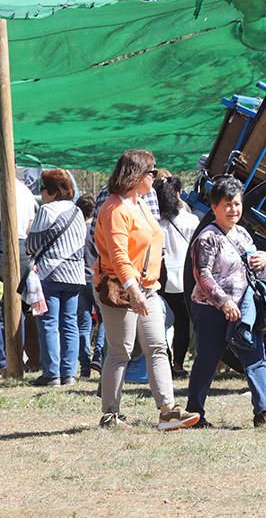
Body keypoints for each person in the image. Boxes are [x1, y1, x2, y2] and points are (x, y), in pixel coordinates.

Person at [94, 149, 199, 430]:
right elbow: (118, 257)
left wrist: (145, 288)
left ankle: (168, 411)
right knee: (120, 351)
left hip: (148, 288)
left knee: (157, 347)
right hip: (121, 289)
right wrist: (133, 289)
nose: (155, 177)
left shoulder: (141, 202)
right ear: (136, 175)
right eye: (151, 172)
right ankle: (110, 415)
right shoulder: (115, 209)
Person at [186, 176, 266, 429]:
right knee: (208, 358)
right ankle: (194, 412)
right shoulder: (207, 237)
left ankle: (264, 411)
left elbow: (256, 267)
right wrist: (223, 302)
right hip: (210, 309)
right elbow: (202, 274)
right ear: (215, 207)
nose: (233, 210)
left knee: (255, 356)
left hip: (244, 307)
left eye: (237, 204)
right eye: (228, 205)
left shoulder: (242, 234)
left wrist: (265, 261)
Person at [25, 169, 87, 386]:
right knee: (70, 323)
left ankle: (52, 373)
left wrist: (30, 232)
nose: (40, 193)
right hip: (75, 274)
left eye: (41, 188)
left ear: (51, 190)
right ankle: (69, 373)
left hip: (50, 272)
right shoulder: (77, 211)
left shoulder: (47, 210)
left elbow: (31, 246)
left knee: (49, 322)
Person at [154, 175, 199, 378]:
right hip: (185, 278)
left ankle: (165, 360)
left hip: (161, 277)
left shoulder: (156, 223)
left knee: (161, 323)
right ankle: (178, 365)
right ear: (179, 193)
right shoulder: (191, 220)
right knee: (182, 323)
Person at [0, 171, 37, 371]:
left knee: (3, 309)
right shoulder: (26, 191)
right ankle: (16, 357)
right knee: (21, 308)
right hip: (23, 248)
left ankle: (5, 360)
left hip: (6, 245)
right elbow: (31, 224)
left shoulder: (7, 187)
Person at [75, 194, 104, 379]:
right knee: (104, 321)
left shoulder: (77, 230)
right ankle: (99, 354)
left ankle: (84, 365)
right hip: (97, 278)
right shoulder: (96, 231)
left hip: (79, 279)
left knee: (83, 325)